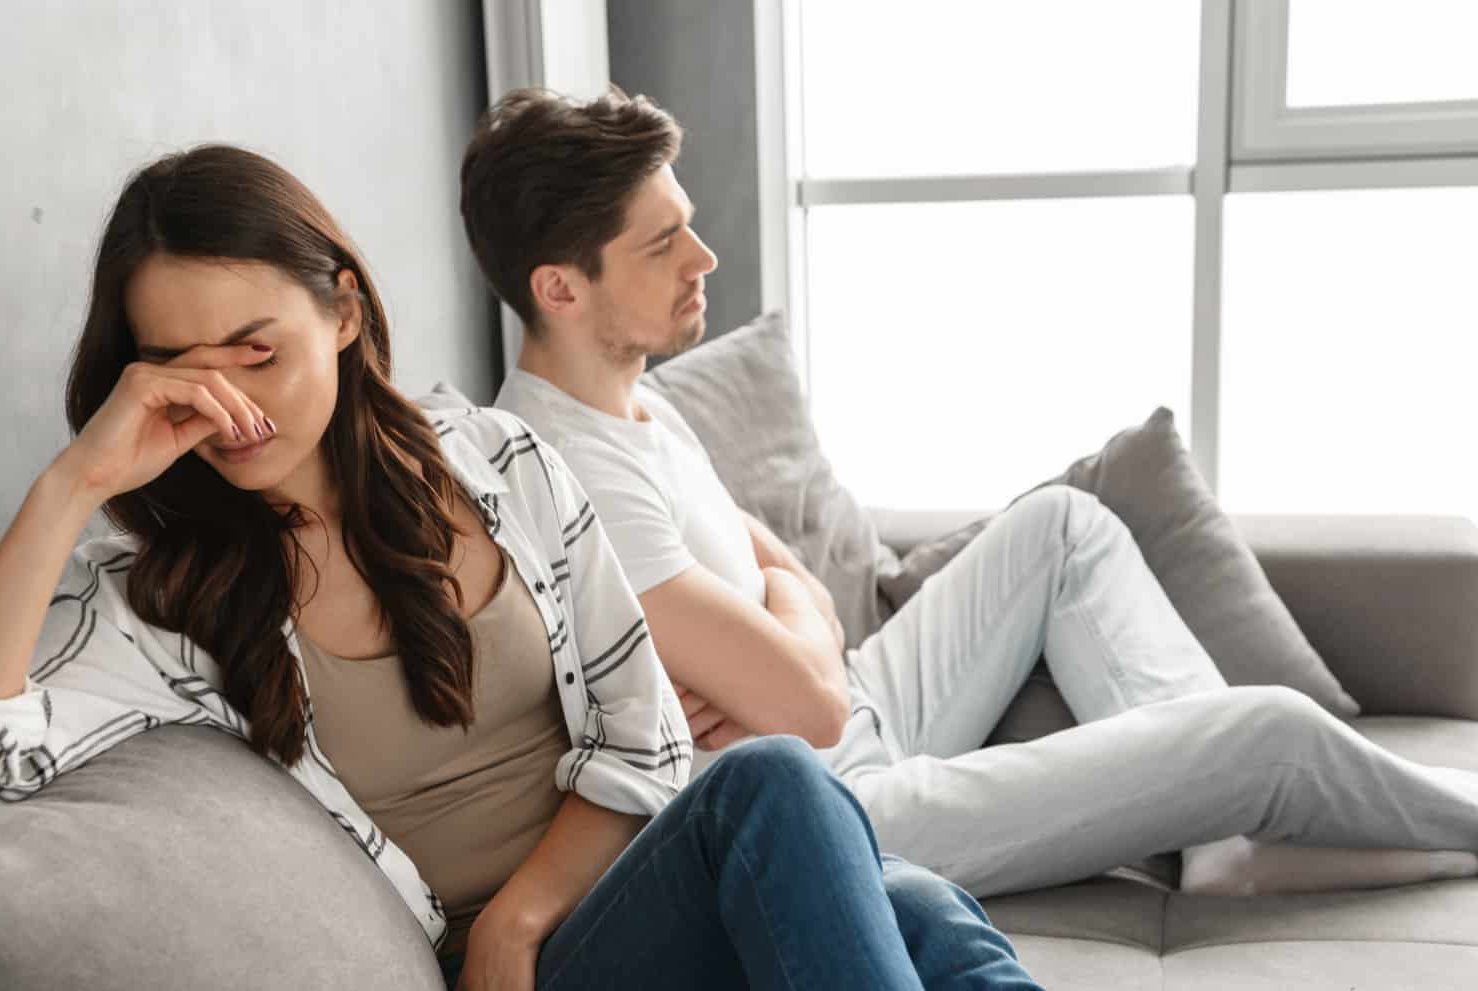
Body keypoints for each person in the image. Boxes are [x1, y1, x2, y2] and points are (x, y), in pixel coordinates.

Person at [0, 145, 1094, 991]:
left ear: (343, 314)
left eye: (258, 349)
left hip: (580, 923)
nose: (228, 405)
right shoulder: (160, 598)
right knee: (778, 786)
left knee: (923, 906)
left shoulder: (497, 461)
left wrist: (519, 918)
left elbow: (643, 731)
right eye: (179, 368)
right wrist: (71, 482)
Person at [471, 87, 1478, 901]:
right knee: (1268, 731)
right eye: (663, 245)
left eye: (686, 227)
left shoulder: (633, 398)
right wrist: (796, 653)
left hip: (857, 703)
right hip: (837, 806)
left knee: (1062, 525)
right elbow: (811, 720)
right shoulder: (569, 472)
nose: (705, 259)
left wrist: (795, 627)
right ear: (560, 287)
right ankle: (1313, 808)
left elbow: (788, 586)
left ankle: (1215, 834)